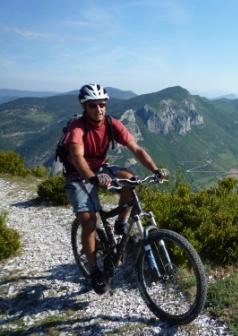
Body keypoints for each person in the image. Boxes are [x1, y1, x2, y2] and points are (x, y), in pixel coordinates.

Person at [64, 83, 165, 294]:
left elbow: (136, 148)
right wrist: (92, 178)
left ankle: (120, 223)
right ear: (84, 106)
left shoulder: (112, 124)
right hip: (78, 175)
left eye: (102, 104)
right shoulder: (78, 127)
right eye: (93, 105)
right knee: (89, 220)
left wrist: (155, 170)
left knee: (131, 179)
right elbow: (77, 156)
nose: (99, 109)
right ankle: (93, 271)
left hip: (101, 169)